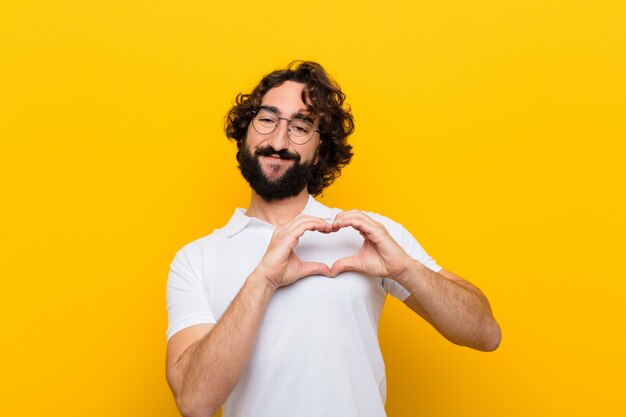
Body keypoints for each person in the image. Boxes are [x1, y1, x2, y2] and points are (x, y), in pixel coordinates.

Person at [165, 61, 501, 417]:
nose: (278, 141)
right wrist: (262, 280)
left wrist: (406, 269)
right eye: (266, 119)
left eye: (300, 127)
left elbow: (485, 334)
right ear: (246, 129)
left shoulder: (367, 235)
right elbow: (194, 402)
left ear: (320, 150)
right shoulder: (196, 260)